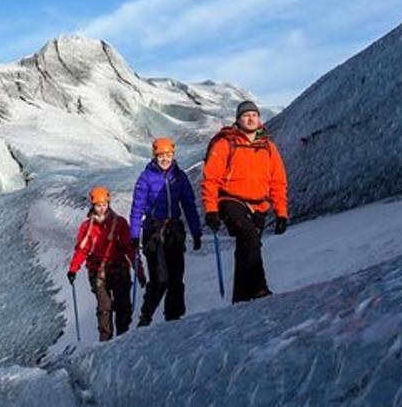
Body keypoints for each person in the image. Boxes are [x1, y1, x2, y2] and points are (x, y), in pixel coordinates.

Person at [202, 100, 289, 302]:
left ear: (259, 118)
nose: (250, 119)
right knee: (249, 237)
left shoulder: (268, 146)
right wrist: (211, 209)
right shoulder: (226, 143)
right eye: (245, 115)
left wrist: (281, 212)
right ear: (238, 119)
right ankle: (260, 288)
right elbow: (211, 178)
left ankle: (240, 298)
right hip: (231, 200)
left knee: (247, 246)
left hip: (259, 204)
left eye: (254, 115)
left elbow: (278, 181)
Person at [129, 137, 202, 326]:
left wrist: (196, 231)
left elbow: (189, 205)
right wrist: (134, 236)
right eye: (161, 155)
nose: (165, 159)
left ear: (173, 155)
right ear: (155, 156)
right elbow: (137, 209)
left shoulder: (180, 177)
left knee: (176, 278)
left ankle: (174, 319)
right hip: (153, 233)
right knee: (160, 279)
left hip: (174, 232)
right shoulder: (145, 178)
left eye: (168, 155)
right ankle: (146, 315)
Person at [67, 186, 137, 341]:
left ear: (108, 203)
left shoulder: (120, 223)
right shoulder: (87, 227)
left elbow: (128, 248)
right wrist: (73, 269)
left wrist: (139, 270)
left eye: (104, 204)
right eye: (99, 205)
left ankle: (123, 337)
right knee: (104, 308)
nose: (102, 208)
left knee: (122, 305)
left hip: (119, 268)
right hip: (98, 271)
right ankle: (105, 340)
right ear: (93, 205)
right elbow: (82, 250)